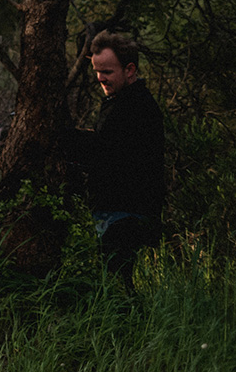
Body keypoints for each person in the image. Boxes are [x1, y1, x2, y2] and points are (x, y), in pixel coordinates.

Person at [68, 31, 165, 286]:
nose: (100, 78)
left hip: (126, 216)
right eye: (97, 71)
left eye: (108, 72)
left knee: (116, 289)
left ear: (130, 69)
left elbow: (107, 153)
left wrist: (65, 138)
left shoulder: (136, 107)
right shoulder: (121, 102)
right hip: (117, 213)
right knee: (115, 287)